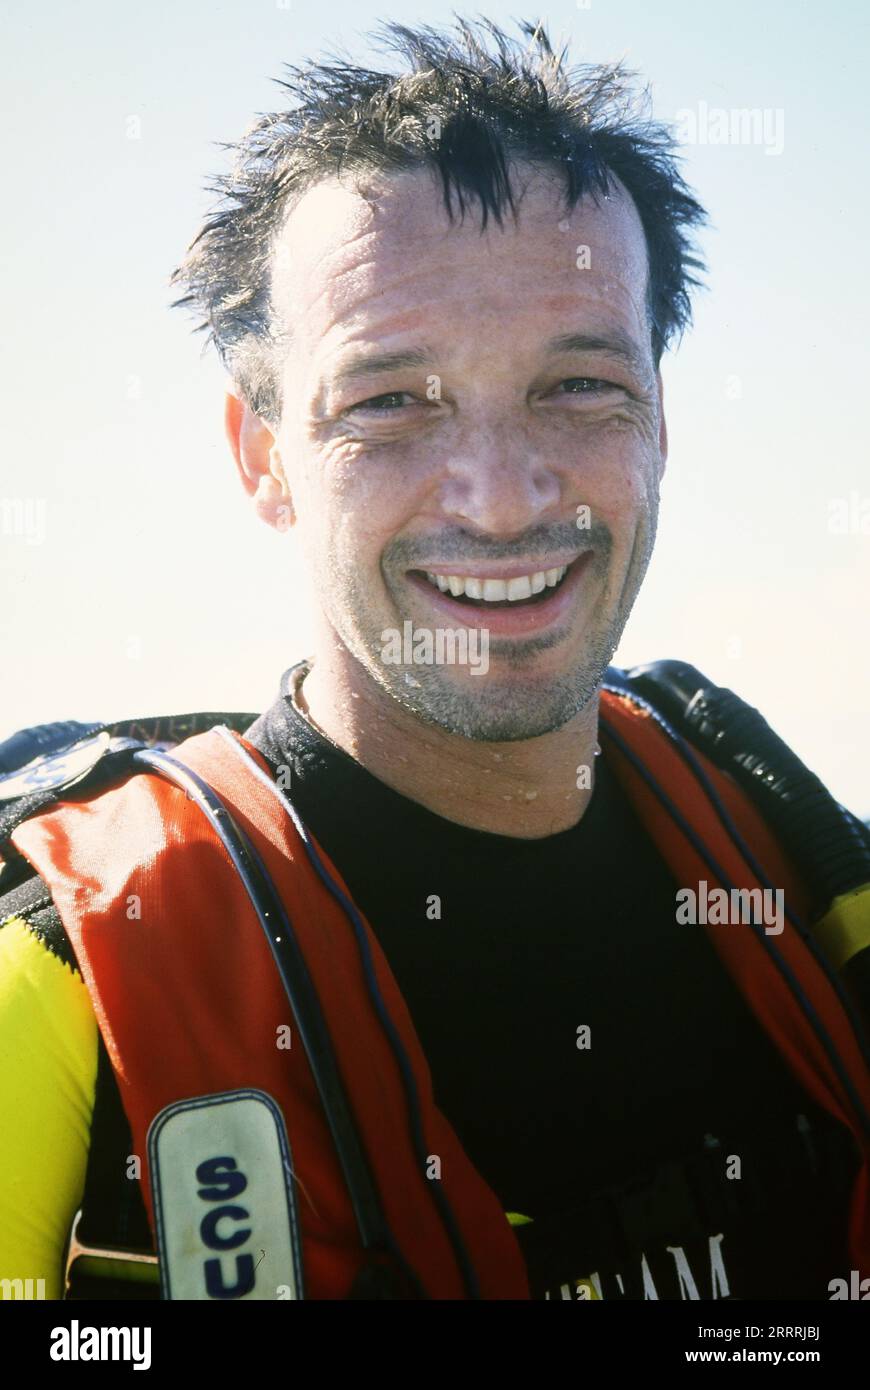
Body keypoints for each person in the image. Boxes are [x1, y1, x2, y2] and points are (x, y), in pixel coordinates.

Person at [1, 16, 868, 1304]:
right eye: (390, 402)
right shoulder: (58, 995)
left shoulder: (813, 879)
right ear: (263, 458)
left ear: (661, 425)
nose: (504, 500)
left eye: (579, 387)